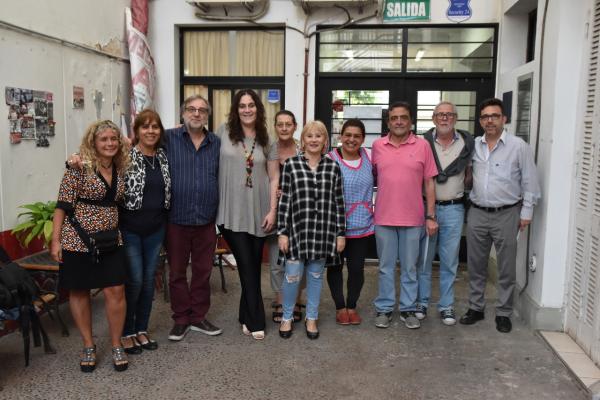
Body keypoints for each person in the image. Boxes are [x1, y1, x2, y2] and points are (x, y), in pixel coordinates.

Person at [51, 120, 130, 372]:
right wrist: (55, 241)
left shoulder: (120, 166)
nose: (109, 143)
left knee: (116, 291)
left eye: (113, 139)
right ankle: (88, 344)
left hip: (111, 240)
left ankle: (116, 343)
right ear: (93, 142)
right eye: (104, 139)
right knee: (79, 291)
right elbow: (62, 206)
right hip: (78, 240)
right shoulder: (78, 167)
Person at [459, 98, 541, 333]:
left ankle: (504, 312)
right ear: (480, 121)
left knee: (506, 266)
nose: (489, 120)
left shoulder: (518, 146)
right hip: (477, 212)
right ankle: (476, 307)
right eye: (485, 116)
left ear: (504, 119)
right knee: (475, 264)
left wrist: (526, 212)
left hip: (507, 213)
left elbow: (530, 182)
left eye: (494, 116)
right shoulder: (474, 145)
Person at [216, 89, 279, 340]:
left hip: (260, 211)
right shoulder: (223, 132)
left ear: (258, 108)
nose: (247, 110)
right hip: (231, 210)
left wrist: (273, 210)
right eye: (242, 105)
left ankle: (244, 314)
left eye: (251, 105)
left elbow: (274, 178)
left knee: (251, 264)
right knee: (246, 264)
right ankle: (256, 320)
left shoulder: (267, 138)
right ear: (236, 109)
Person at [372, 101, 438, 330]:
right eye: (394, 118)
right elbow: (371, 178)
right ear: (388, 122)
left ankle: (408, 308)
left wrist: (431, 216)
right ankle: (385, 308)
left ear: (411, 121)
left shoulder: (423, 146)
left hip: (413, 219)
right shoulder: (377, 146)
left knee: (410, 268)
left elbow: (429, 182)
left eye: (403, 117)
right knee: (385, 267)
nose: (398, 121)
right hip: (383, 218)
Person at [277, 120, 346, 340]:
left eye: (319, 136)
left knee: (316, 276)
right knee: (292, 276)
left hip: (323, 233)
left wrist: (340, 233)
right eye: (310, 136)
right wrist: (282, 232)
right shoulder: (291, 165)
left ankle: (312, 317)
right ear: (303, 140)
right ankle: (287, 317)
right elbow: (285, 200)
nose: (314, 140)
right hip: (297, 231)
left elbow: (338, 202)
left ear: (325, 140)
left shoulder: (333, 167)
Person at [164, 95, 222, 341]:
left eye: (202, 110)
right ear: (183, 113)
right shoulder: (168, 138)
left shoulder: (216, 143)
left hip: (206, 220)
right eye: (191, 109)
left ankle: (198, 317)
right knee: (176, 273)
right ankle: (180, 319)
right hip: (176, 219)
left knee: (202, 272)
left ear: (207, 115)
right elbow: (133, 145)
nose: (196, 114)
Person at [416, 101, 474, 325]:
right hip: (425, 208)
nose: (444, 118)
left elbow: (470, 175)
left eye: (449, 114)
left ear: (455, 118)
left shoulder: (468, 143)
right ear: (433, 118)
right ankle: (421, 301)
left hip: (454, 208)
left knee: (450, 261)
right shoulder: (423, 143)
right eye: (440, 114)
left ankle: (446, 305)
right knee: (423, 259)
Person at [119, 110, 171, 353]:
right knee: (135, 281)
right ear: (137, 131)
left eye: (155, 127)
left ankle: (141, 329)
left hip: (155, 229)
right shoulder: (125, 156)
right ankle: (126, 331)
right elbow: (96, 162)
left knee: (149, 282)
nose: (151, 131)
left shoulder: (162, 156)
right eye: (145, 127)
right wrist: (74, 160)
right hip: (130, 229)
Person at [326, 119, 374, 325]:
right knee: (335, 267)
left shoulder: (370, 157)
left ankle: (352, 305)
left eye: (356, 136)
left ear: (363, 139)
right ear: (340, 136)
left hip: (363, 225)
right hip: (336, 226)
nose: (351, 140)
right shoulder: (329, 159)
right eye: (348, 135)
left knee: (356, 269)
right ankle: (340, 307)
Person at [266, 110, 306, 324]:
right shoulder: (269, 149)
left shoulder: (303, 148)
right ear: (275, 126)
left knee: (299, 259)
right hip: (276, 210)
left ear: (295, 126)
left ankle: (297, 300)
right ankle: (281, 301)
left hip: (300, 212)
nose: (283, 128)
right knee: (276, 260)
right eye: (279, 124)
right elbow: (265, 178)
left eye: (288, 124)